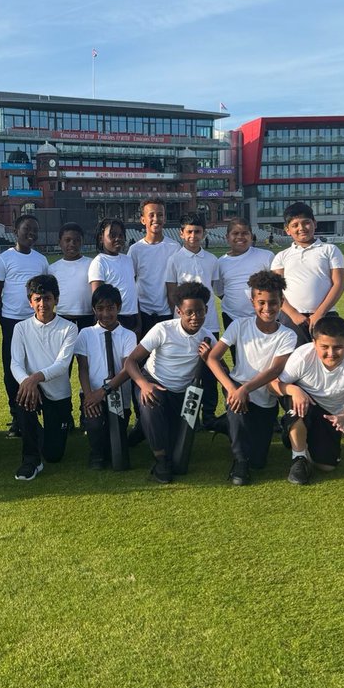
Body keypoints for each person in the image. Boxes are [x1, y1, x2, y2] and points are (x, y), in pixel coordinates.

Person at [205, 270, 297, 485]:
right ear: (252, 301)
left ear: (282, 302)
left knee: (259, 460)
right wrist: (233, 388)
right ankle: (239, 461)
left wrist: (246, 389)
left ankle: (227, 425)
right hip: (237, 389)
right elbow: (212, 358)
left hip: (264, 397)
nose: (267, 308)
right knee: (238, 408)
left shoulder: (287, 334)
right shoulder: (239, 325)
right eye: (261, 302)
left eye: (273, 302)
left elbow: (274, 371)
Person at [124, 280, 214, 484]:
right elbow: (131, 362)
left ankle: (142, 429)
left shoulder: (207, 337)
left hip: (180, 393)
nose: (195, 317)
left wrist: (210, 358)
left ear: (206, 310)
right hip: (154, 382)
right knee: (151, 401)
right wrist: (144, 385)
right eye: (189, 312)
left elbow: (220, 370)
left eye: (199, 311)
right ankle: (160, 460)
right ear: (179, 311)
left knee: (174, 441)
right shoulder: (162, 329)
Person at [270, 313, 344, 486]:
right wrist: (294, 390)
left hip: (330, 413)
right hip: (303, 402)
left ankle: (295, 437)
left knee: (326, 466)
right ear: (314, 343)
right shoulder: (302, 356)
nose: (331, 353)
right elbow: (272, 384)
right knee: (298, 405)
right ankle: (298, 458)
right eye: (324, 347)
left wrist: (343, 417)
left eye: (338, 347)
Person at [9, 274, 79, 481]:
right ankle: (30, 459)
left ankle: (38, 433)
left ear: (56, 299)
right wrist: (28, 382)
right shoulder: (20, 328)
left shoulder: (69, 328)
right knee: (24, 397)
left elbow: (62, 365)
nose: (42, 304)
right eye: (37, 299)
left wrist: (34, 378)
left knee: (54, 455)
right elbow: (15, 363)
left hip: (58, 394)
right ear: (30, 302)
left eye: (47, 298)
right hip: (32, 390)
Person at [0, 213, 50, 437]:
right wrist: (3, 319)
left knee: (35, 367)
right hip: (11, 322)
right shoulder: (4, 259)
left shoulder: (41, 260)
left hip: (35, 322)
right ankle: (17, 415)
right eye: (27, 229)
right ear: (16, 231)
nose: (31, 234)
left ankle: (37, 411)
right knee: (12, 369)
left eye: (35, 230)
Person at [165, 212, 223, 427]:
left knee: (209, 369)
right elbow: (172, 294)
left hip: (209, 324)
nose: (193, 235)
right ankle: (190, 416)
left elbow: (217, 289)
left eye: (197, 231)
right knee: (188, 370)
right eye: (189, 231)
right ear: (181, 233)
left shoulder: (212, 259)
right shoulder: (174, 259)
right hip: (183, 327)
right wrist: (181, 320)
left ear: (204, 233)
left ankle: (208, 415)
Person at [74, 282, 137, 470]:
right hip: (92, 393)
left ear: (119, 307)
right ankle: (96, 453)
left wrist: (105, 391)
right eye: (100, 309)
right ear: (94, 310)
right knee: (94, 424)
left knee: (117, 441)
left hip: (118, 394)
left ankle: (110, 448)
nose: (106, 314)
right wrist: (88, 395)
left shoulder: (128, 335)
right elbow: (82, 368)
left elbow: (127, 368)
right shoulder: (86, 333)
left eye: (111, 308)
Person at [272, 201, 344, 345]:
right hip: (292, 317)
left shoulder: (330, 250)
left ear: (314, 223)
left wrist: (319, 313)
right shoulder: (282, 256)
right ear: (287, 229)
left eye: (306, 223)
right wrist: (293, 314)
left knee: (326, 359)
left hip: (326, 315)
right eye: (295, 225)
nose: (301, 228)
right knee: (293, 361)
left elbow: (339, 283)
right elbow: (276, 289)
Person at [128, 199, 179, 339]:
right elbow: (131, 284)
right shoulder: (135, 250)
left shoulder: (174, 248)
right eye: (151, 215)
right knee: (143, 359)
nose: (156, 219)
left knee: (167, 358)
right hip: (143, 314)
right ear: (143, 220)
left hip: (167, 313)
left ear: (165, 218)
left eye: (160, 214)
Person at [215, 216, 274, 326]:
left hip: (263, 317)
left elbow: (277, 287)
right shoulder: (220, 263)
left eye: (245, 233)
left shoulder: (266, 256)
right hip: (232, 317)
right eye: (235, 233)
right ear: (227, 237)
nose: (240, 237)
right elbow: (219, 291)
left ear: (251, 236)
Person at [89, 218, 138, 332]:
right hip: (112, 320)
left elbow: (133, 292)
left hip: (132, 318)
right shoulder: (99, 262)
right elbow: (98, 298)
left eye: (121, 235)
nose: (118, 239)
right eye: (112, 235)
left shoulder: (128, 260)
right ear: (101, 238)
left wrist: (138, 320)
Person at [49, 222, 93, 331]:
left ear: (82, 242)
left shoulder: (92, 264)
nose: (72, 244)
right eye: (67, 240)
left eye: (76, 240)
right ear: (60, 242)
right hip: (62, 319)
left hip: (88, 317)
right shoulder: (52, 268)